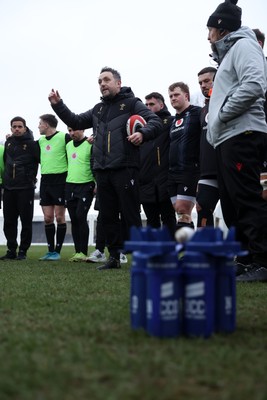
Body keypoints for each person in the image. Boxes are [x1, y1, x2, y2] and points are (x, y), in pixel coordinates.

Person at [48, 66, 162, 270]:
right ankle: (114, 257)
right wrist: (58, 105)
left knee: (131, 214)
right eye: (99, 81)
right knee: (108, 216)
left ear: (118, 83)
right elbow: (75, 120)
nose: (102, 84)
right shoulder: (98, 109)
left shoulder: (132, 104)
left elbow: (155, 121)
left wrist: (143, 133)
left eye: (106, 80)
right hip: (102, 170)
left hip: (125, 167)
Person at [206, 0, 267, 282]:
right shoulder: (228, 54)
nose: (207, 37)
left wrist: (221, 115)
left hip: (242, 133)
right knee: (231, 204)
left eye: (210, 30)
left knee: (246, 199)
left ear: (221, 29)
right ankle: (243, 259)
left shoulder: (244, 45)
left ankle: (262, 261)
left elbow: (255, 84)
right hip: (227, 137)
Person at [0, 117, 39, 260]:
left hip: (25, 188)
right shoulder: (8, 142)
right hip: (9, 188)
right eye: (14, 126)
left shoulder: (32, 144)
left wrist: (30, 178)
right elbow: (6, 162)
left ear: (25, 128)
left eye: (19, 126)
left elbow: (39, 162)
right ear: (11, 128)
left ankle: (23, 251)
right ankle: (11, 250)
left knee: (26, 220)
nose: (17, 129)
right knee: (9, 221)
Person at [138, 92, 176, 237]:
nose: (148, 107)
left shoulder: (171, 121)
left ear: (161, 105)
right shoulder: (141, 126)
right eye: (146, 105)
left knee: (168, 218)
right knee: (151, 220)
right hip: (146, 181)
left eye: (151, 104)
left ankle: (170, 250)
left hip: (165, 179)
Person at [168, 82, 202, 230]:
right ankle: (191, 243)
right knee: (180, 212)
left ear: (186, 95)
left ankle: (184, 249)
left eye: (176, 95)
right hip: (172, 172)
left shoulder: (197, 113)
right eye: (170, 96)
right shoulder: (173, 121)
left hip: (189, 170)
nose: (173, 98)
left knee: (183, 209)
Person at [38, 114, 71, 261]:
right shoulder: (40, 141)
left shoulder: (64, 137)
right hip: (45, 180)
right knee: (47, 218)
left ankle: (57, 251)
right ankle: (50, 251)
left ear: (47, 125)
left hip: (60, 180)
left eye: (40, 124)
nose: (38, 126)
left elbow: (77, 146)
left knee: (59, 217)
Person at [65, 127, 95, 262]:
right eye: (69, 130)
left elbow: (95, 164)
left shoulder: (90, 144)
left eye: (74, 130)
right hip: (70, 185)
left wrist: (96, 183)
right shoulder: (68, 145)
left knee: (80, 216)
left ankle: (83, 251)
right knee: (74, 219)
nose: (72, 133)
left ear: (82, 129)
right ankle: (77, 252)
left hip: (86, 185)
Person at [196, 67, 220, 227]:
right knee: (202, 209)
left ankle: (244, 251)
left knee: (235, 212)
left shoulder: (228, 100)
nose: (203, 85)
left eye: (206, 81)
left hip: (228, 167)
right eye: (200, 83)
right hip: (207, 170)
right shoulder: (202, 109)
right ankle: (206, 250)